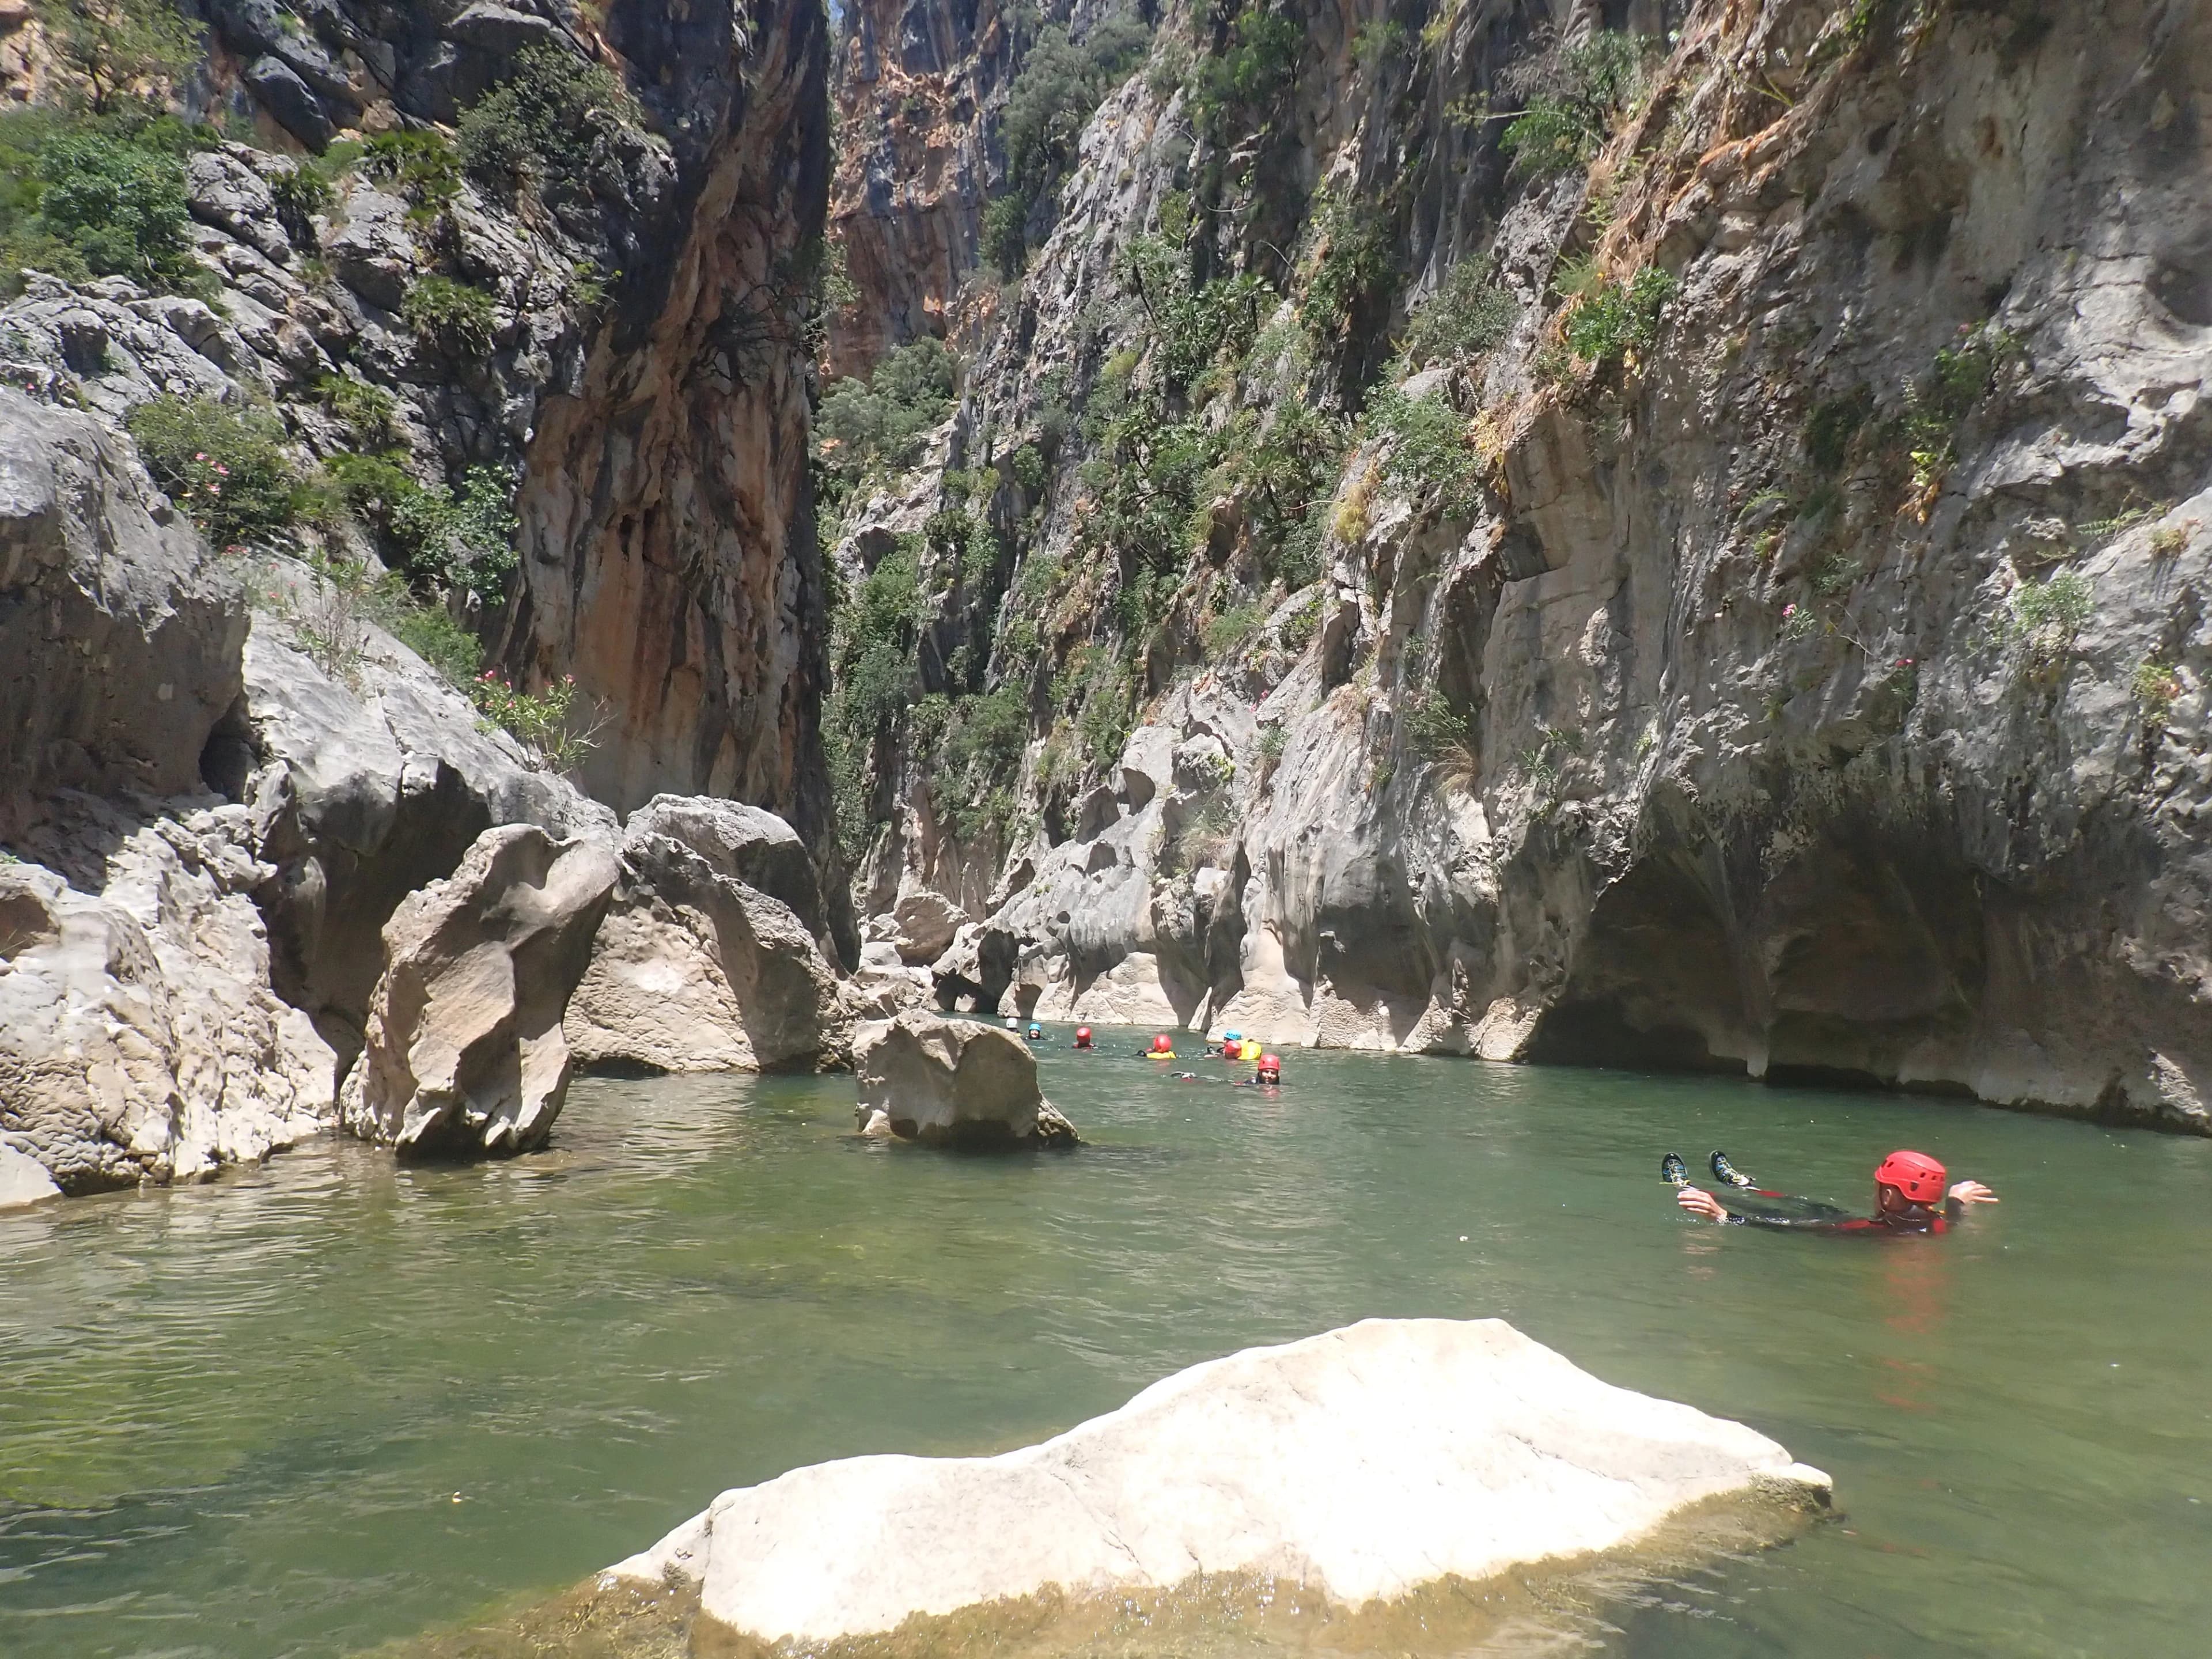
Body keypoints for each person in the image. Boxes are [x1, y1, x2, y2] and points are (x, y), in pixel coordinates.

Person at [1668, 1148, 1997, 1234]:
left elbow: (1793, 1231)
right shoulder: (1936, 1225)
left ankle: (1692, 1189)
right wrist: (1956, 1200)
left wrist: (1726, 1219)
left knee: (1783, 1214)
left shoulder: (1868, 1230)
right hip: (1859, 1222)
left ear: (1888, 1196)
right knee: (1812, 1205)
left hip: (1857, 1227)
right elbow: (1952, 1222)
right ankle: (1746, 1186)